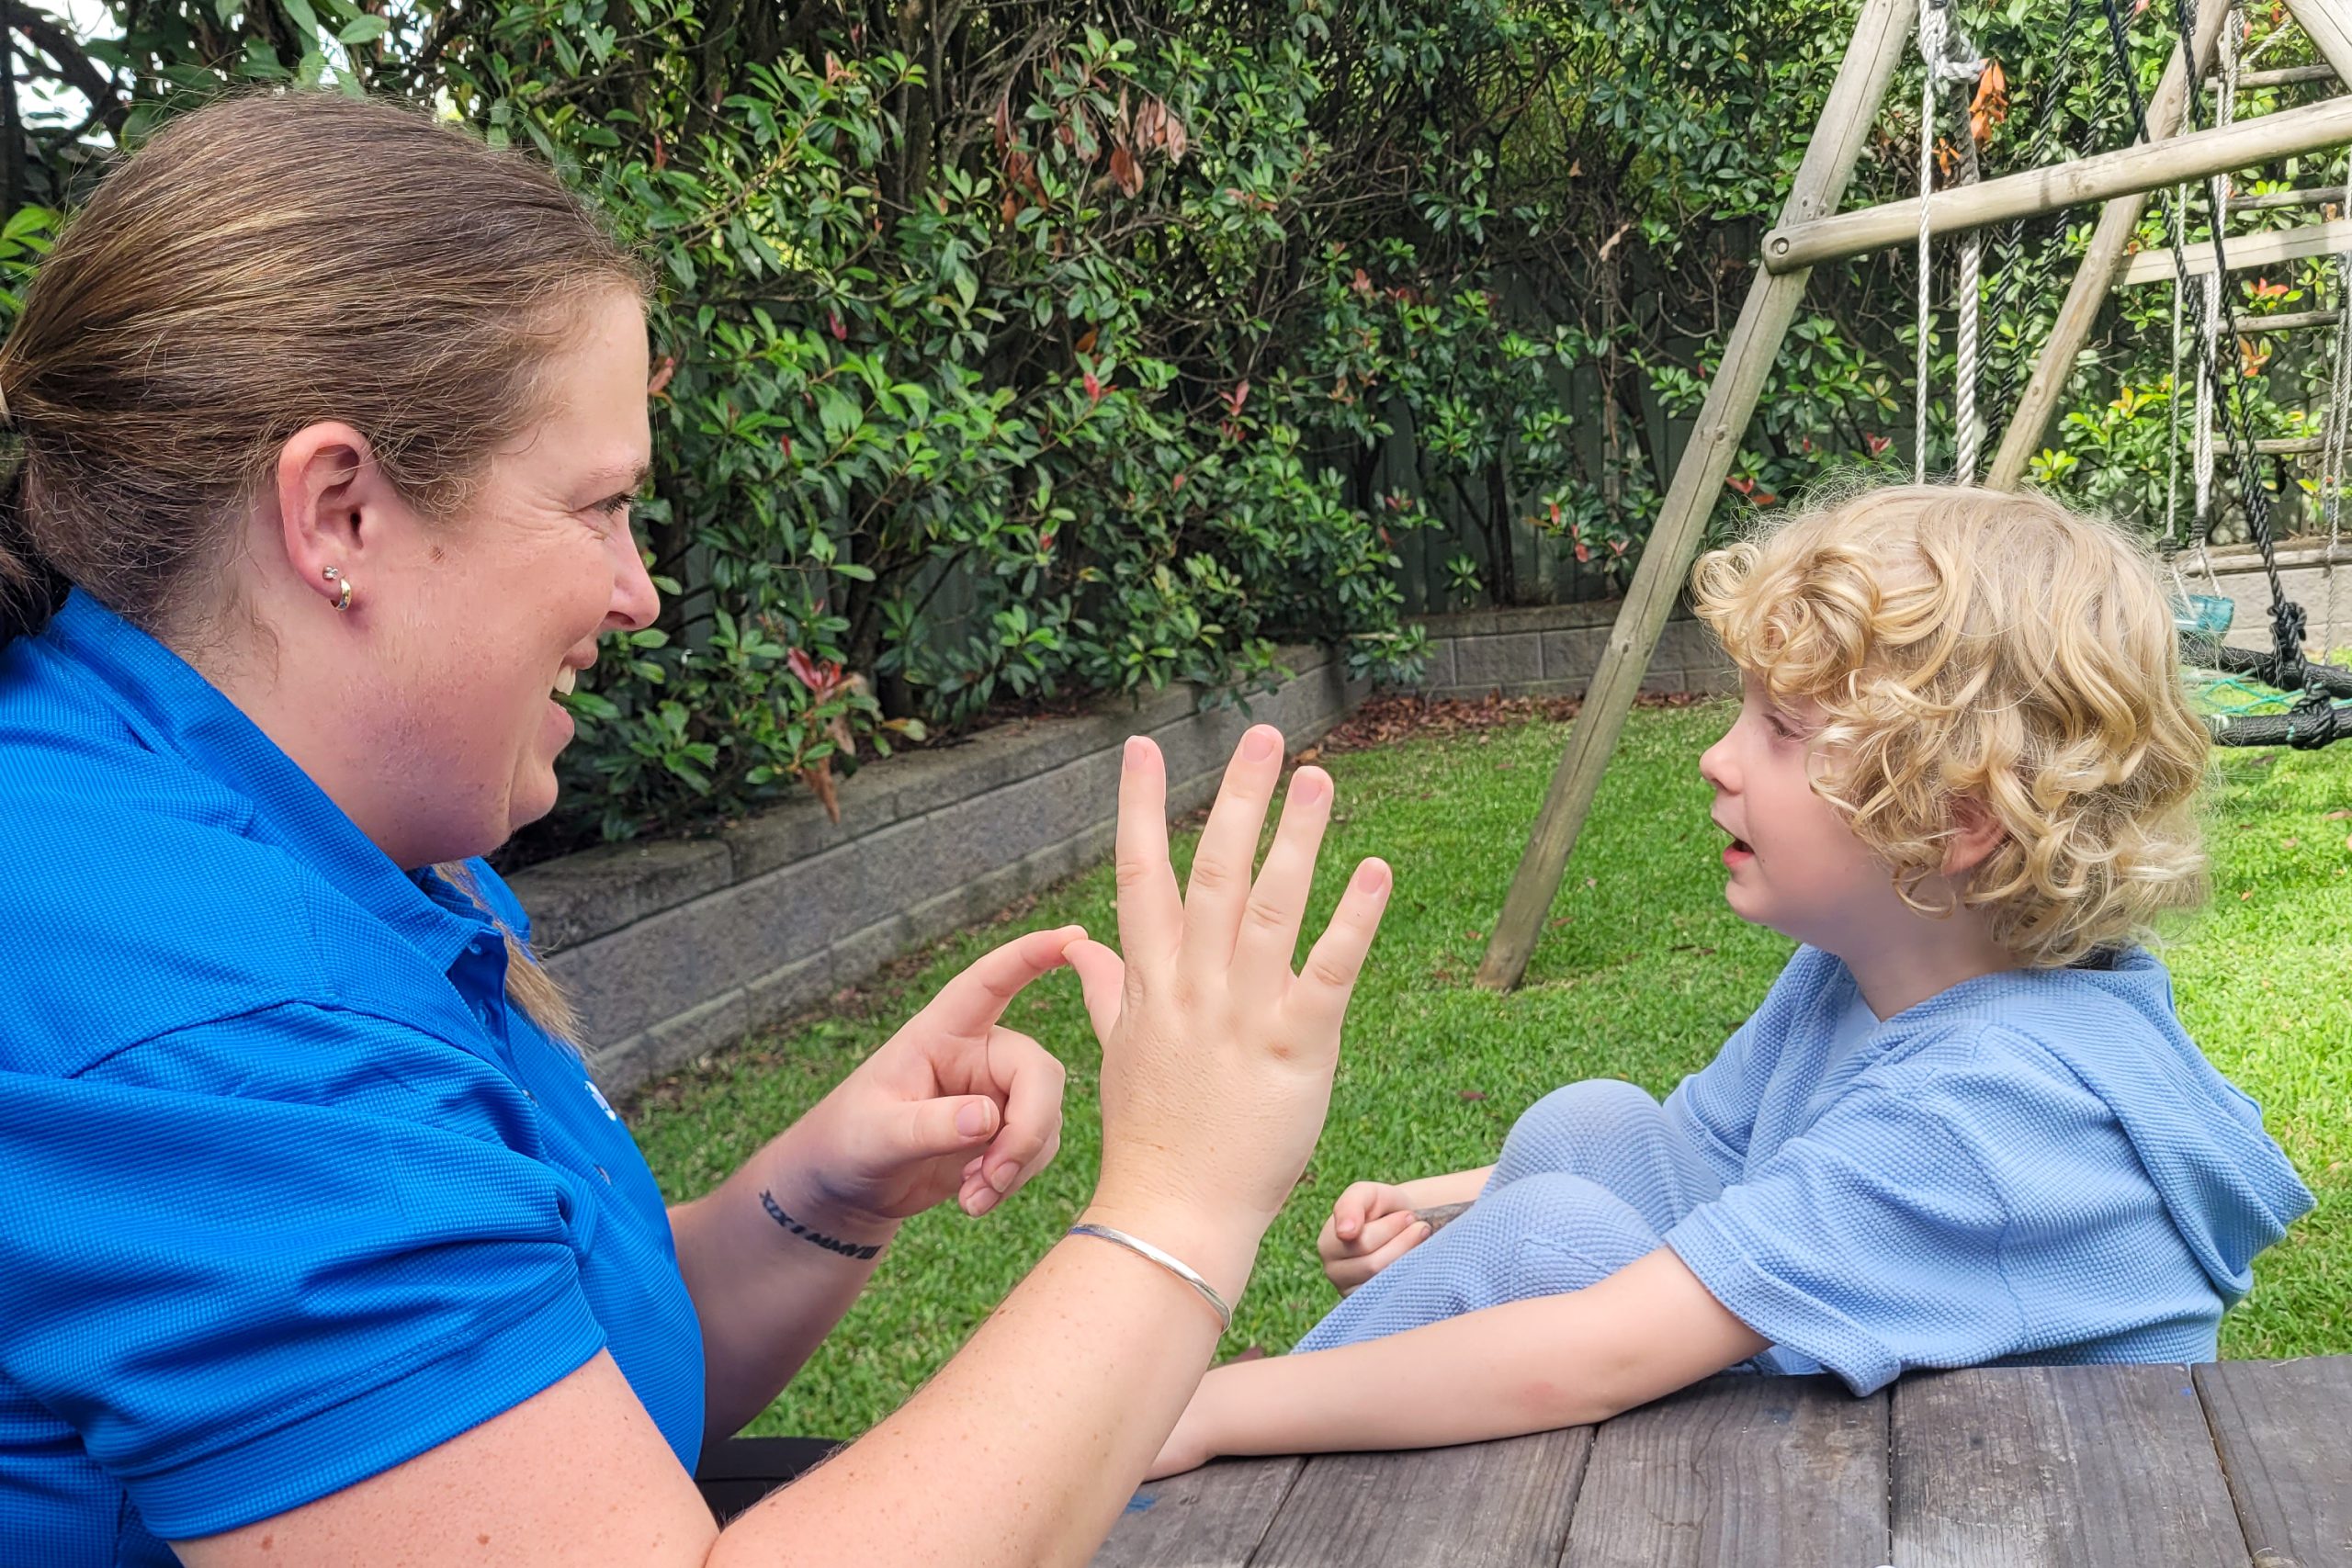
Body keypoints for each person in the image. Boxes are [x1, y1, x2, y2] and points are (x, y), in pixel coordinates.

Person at [0, 92, 1393, 1566]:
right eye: (598, 507)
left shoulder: (316, 838)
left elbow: (527, 1424)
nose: (638, 591)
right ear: (338, 512)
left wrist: (817, 1196)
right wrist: (1181, 1204)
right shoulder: (201, 1007)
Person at [1145, 484, 2315, 1479]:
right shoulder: (1854, 977)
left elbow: (1597, 1346)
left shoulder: (1992, 1115)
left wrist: (1200, 1414)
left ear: (1953, 819)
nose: (1716, 756)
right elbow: (1698, 1150)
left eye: (1781, 728)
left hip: (1983, 1498)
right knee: (1587, 1129)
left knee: (1550, 1239)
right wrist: (1440, 1208)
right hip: (1869, 1426)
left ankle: (1165, 1439)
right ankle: (1269, 1399)